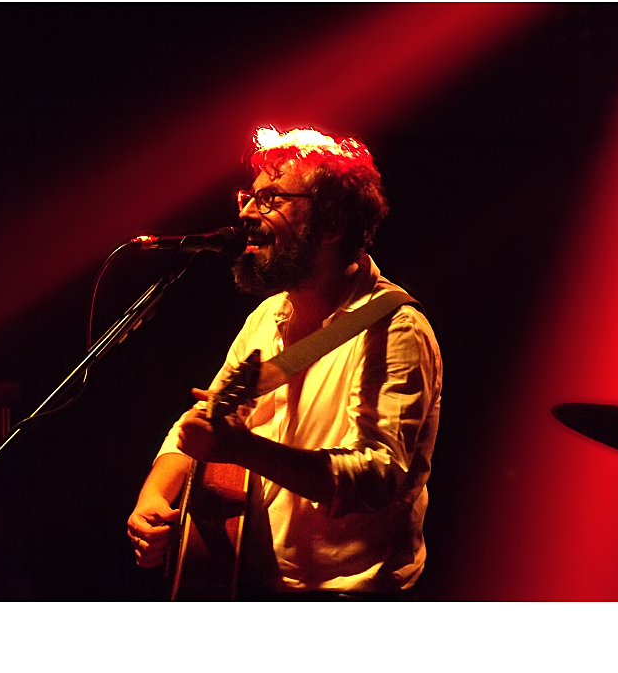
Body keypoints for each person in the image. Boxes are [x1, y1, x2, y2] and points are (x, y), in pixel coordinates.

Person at [126, 126, 442, 599]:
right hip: (243, 581)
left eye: (270, 199)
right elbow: (203, 422)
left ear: (331, 225)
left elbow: (379, 478)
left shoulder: (394, 328)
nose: (246, 214)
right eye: (249, 198)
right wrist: (153, 495)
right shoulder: (268, 315)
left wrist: (243, 450)